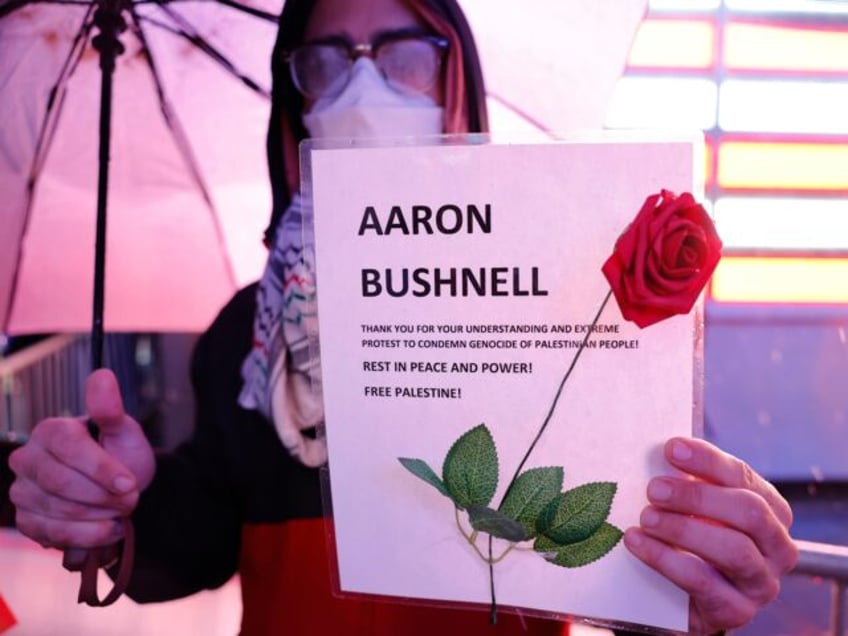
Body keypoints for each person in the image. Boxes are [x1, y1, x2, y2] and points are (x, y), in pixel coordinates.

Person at [7, 0, 798, 634]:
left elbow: (624, 541)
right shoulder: (247, 336)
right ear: (294, 110)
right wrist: (115, 504)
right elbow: (199, 541)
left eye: (405, 55)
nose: (363, 91)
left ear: (459, 87)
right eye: (325, 62)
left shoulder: (560, 303)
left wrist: (694, 565)